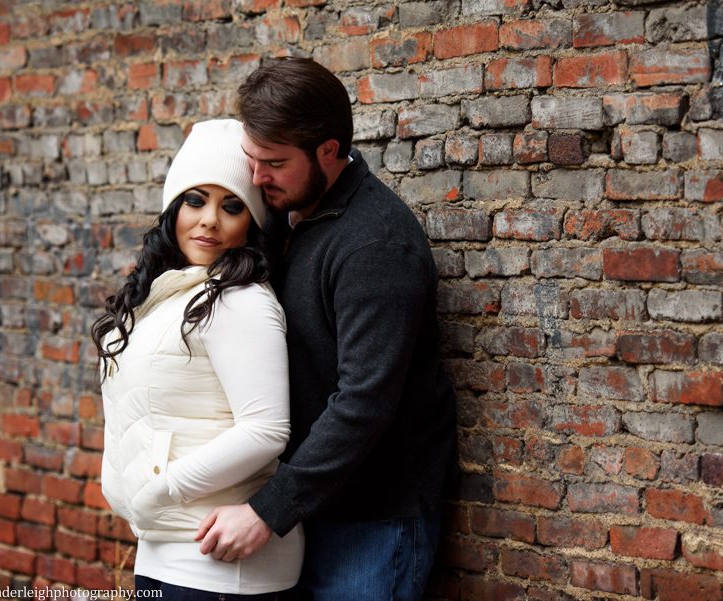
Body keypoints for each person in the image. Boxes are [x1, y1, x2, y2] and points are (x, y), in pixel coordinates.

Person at [194, 57, 458, 601]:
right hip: (303, 507)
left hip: (371, 521)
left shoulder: (375, 244)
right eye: (252, 159)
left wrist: (268, 511)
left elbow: (363, 402)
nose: (257, 176)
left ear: (329, 151)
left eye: (274, 163)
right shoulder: (281, 213)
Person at [91, 119, 304, 599]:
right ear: (173, 208)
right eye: (195, 200)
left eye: (231, 206)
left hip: (221, 562)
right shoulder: (166, 294)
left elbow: (265, 430)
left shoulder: (238, 299)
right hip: (161, 546)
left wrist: (159, 490)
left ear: (250, 222)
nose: (210, 219)